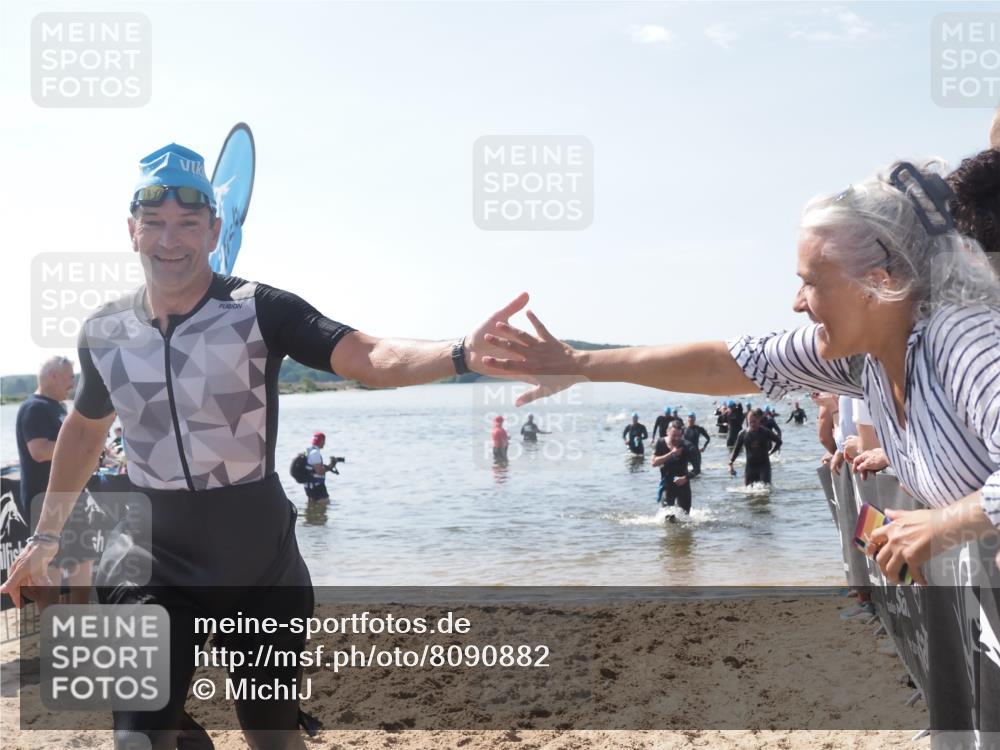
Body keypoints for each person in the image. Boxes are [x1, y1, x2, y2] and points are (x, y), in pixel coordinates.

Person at [1, 142, 529, 750]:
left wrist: (458, 353)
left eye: (188, 224)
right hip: (150, 562)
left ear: (213, 228)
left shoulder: (259, 310)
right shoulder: (104, 332)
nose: (170, 240)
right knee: (137, 739)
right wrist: (45, 536)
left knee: (273, 738)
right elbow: (87, 430)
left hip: (258, 565)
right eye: (155, 224)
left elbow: (366, 356)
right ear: (131, 230)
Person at [482, 159, 1000, 582]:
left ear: (877, 282)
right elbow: (722, 362)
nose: (797, 302)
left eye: (811, 282)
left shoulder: (959, 336)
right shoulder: (863, 354)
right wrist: (580, 365)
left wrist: (942, 525)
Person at [14, 356, 96, 607]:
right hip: (47, 503)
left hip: (73, 500)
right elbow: (38, 452)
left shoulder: (59, 407)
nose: (73, 383)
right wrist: (80, 446)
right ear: (54, 376)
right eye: (70, 377)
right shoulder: (34, 407)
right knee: (50, 569)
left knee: (83, 562)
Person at [651, 424, 698, 514]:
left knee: (685, 518)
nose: (676, 438)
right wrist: (672, 454)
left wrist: (685, 478)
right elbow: (654, 463)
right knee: (667, 518)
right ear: (667, 432)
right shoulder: (661, 443)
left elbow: (697, 469)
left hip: (683, 485)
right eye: (674, 435)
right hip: (667, 485)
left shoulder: (688, 446)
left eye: (679, 436)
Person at [728, 409, 782, 485]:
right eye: (750, 422)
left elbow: (779, 442)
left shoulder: (765, 432)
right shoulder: (743, 434)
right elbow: (736, 450)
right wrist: (731, 463)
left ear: (758, 420)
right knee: (748, 491)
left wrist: (771, 452)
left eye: (754, 422)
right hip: (750, 468)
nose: (752, 424)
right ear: (747, 421)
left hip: (764, 467)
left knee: (765, 490)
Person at [304, 432, 338, 502]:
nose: (324, 443)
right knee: (325, 505)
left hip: (309, 486)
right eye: (324, 441)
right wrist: (331, 465)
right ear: (322, 441)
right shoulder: (315, 453)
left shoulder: (307, 451)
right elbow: (319, 472)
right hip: (317, 486)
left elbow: (312, 469)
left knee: (313, 508)